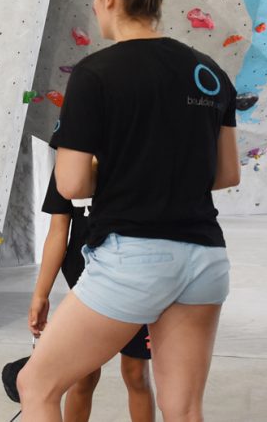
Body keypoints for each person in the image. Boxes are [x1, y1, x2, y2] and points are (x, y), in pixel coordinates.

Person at [16, 0, 241, 422]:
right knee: (182, 408)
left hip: (136, 256)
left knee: (34, 384)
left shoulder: (96, 73)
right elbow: (225, 173)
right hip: (205, 256)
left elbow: (72, 184)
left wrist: (120, 170)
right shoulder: (212, 73)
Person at [31, 172, 155, 421]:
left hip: (135, 281)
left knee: (135, 373)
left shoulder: (137, 152)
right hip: (83, 282)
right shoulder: (70, 158)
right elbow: (58, 231)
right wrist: (40, 293)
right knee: (82, 374)